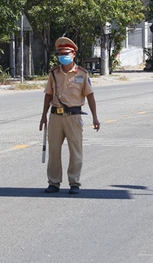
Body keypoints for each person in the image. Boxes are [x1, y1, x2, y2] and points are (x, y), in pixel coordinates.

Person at [39, 36, 100, 194]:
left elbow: (90, 96)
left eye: (65, 53)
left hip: (73, 116)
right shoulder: (53, 74)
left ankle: (74, 182)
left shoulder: (82, 74)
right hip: (55, 116)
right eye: (60, 53)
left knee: (75, 151)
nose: (62, 56)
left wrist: (95, 117)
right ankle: (54, 183)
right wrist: (43, 116)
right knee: (54, 151)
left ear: (73, 54)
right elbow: (48, 95)